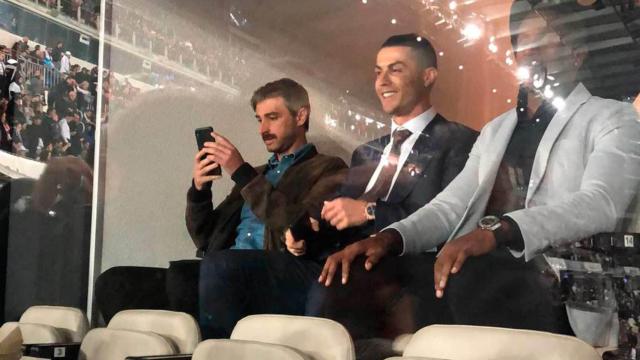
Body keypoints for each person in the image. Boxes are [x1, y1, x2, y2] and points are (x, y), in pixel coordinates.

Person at [318, 0, 640, 344]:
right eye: (522, 40)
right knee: (355, 274)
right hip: (482, 270)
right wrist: (387, 239)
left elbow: (601, 203)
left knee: (472, 274)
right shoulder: (496, 130)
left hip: (556, 284)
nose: (528, 49)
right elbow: (450, 206)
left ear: (576, 55)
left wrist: (500, 232)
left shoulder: (612, 118)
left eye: (546, 38)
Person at [302, 34, 477, 347]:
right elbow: (341, 222)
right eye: (377, 71)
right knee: (221, 269)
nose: (382, 80)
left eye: (395, 70)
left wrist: (369, 211)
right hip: (341, 259)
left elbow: (446, 220)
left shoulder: (457, 141)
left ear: (428, 76)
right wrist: (308, 231)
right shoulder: (367, 152)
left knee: (337, 281)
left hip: (400, 264)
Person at [192, 78, 349, 339]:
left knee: (220, 266)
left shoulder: (330, 168)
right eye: (259, 119)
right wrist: (199, 190)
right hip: (229, 265)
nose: (263, 128)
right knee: (126, 280)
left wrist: (240, 172)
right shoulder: (257, 173)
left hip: (282, 267)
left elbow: (300, 225)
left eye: (272, 117)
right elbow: (206, 238)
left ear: (301, 116)